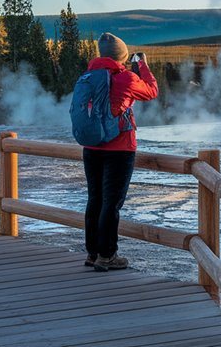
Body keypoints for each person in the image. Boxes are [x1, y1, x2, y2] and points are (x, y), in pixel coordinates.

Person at [81, 32, 158, 272]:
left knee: (95, 199)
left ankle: (93, 253)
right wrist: (142, 65)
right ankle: (107, 255)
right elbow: (151, 91)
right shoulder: (125, 78)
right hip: (119, 148)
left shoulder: (88, 76)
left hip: (91, 147)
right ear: (122, 56)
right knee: (111, 203)